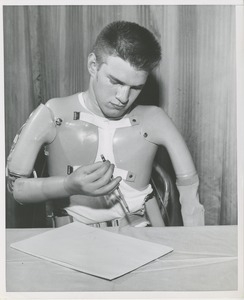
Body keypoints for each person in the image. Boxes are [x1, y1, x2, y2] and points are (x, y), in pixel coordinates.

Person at [6, 21, 204, 227]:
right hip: (72, 243)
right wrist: (67, 185)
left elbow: (191, 195)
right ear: (93, 66)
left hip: (144, 237)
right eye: (116, 82)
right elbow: (16, 189)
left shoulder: (156, 120)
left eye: (136, 87)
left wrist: (196, 249)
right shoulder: (52, 113)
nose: (123, 97)